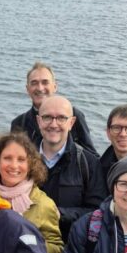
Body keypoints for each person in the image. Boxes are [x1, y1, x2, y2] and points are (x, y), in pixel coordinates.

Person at [37, 95, 107, 241]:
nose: (54, 124)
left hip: (70, 249)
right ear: (38, 121)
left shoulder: (89, 163)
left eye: (61, 118)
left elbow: (98, 211)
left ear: (72, 122)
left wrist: (60, 214)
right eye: (47, 117)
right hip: (25, 247)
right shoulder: (21, 158)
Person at [10, 62, 97, 154]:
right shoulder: (19, 123)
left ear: (55, 87)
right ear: (27, 89)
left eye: (45, 82)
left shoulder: (73, 115)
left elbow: (91, 155)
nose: (40, 88)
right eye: (34, 83)